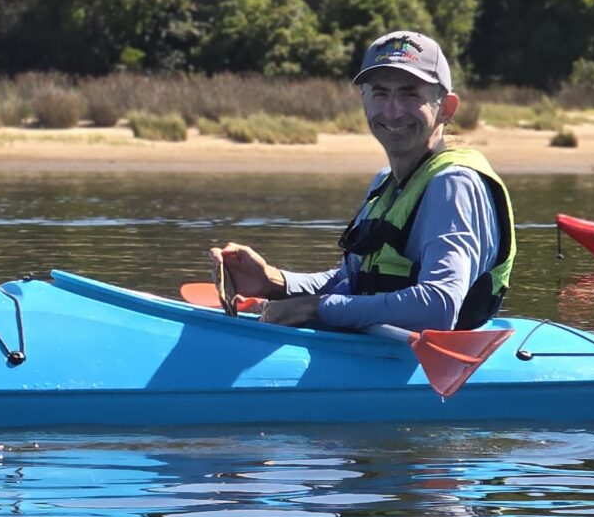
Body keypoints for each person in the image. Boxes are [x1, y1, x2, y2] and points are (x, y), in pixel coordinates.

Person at [211, 30, 517, 332]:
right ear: (365, 102)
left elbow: (438, 306)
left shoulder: (454, 185)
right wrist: (274, 282)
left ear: (446, 108)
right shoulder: (386, 182)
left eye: (410, 94)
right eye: (380, 93)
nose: (393, 111)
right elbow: (351, 282)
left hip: (438, 358)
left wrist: (315, 308)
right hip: (379, 348)